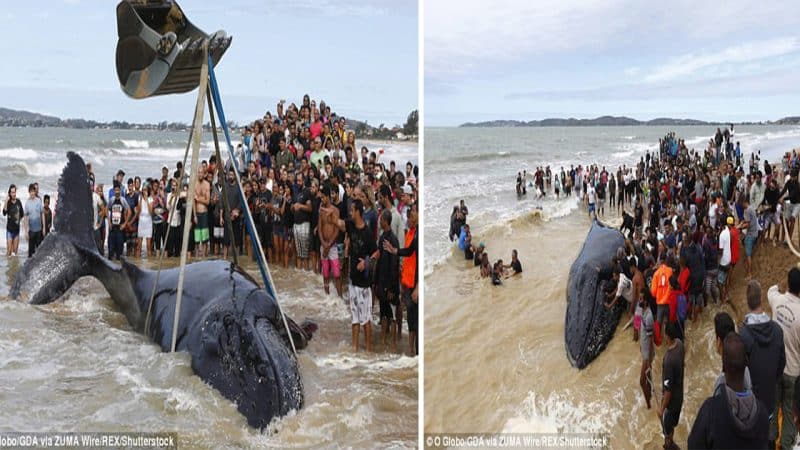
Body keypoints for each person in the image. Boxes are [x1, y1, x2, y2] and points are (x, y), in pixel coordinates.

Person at [688, 333, 770, 449]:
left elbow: (693, 445)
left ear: (723, 366)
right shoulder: (762, 414)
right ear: (746, 362)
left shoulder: (710, 411)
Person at [739, 280, 786, 447]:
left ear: (748, 301)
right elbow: (781, 365)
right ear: (761, 300)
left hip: (751, 404)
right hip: (770, 398)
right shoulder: (777, 331)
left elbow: (740, 373)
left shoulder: (743, 335)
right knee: (768, 436)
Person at [768, 267, 800, 450]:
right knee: (788, 411)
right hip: (793, 372)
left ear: (788, 283)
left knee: (773, 406)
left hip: (776, 367)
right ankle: (786, 446)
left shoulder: (777, 300)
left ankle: (771, 441)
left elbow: (771, 289)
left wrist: (783, 280)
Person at [383, 202, 418, 356]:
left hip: (414, 284)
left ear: (414, 219)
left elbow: (410, 252)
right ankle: (411, 350)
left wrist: (417, 286)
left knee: (415, 318)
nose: (406, 221)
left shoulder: (417, 235)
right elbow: (407, 253)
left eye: (408, 219)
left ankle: (415, 351)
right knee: (410, 317)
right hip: (408, 282)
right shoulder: (410, 233)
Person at [346, 199, 377, 352]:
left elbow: (376, 252)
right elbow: (337, 221)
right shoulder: (350, 226)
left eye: (352, 210)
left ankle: (369, 350)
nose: (350, 212)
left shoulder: (367, 232)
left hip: (364, 284)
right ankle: (355, 350)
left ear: (358, 211)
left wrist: (366, 262)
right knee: (354, 318)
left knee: (365, 320)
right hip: (352, 281)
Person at [373, 208, 399, 352]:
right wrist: (376, 282)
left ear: (385, 221)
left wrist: (391, 288)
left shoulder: (393, 239)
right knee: (383, 313)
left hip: (390, 285)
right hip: (381, 281)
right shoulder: (382, 237)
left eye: (381, 219)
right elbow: (380, 261)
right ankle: (383, 341)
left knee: (393, 316)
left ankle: (394, 344)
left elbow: (394, 266)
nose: (379, 221)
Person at [657, 321, 684, 450]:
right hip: (680, 396)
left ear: (667, 336)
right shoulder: (680, 344)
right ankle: (671, 442)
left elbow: (668, 391)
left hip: (671, 402)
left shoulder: (668, 360)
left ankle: (669, 444)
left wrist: (662, 408)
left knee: (667, 430)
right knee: (672, 424)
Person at [319, 185, 344, 297]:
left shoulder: (336, 210)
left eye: (323, 197)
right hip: (323, 245)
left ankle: (340, 296)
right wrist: (324, 244)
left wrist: (328, 245)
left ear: (328, 197)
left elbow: (337, 231)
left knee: (337, 274)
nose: (322, 200)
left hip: (333, 246)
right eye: (321, 198)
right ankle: (327, 296)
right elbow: (319, 229)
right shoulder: (321, 211)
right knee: (325, 273)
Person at [107, 182, 131, 261]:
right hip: (113, 228)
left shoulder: (123, 200)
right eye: (115, 190)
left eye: (118, 190)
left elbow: (129, 212)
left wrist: (125, 223)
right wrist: (109, 222)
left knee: (119, 251)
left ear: (120, 190)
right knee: (110, 251)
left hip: (120, 228)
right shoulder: (112, 200)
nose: (117, 192)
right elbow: (106, 210)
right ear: (114, 191)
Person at [194, 166, 211, 257]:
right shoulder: (194, 184)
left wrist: (198, 199)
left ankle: (204, 256)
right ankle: (197, 256)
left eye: (201, 172)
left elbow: (207, 201)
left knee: (204, 238)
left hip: (204, 213)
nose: (200, 174)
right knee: (197, 238)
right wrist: (194, 215)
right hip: (197, 213)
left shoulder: (207, 184)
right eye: (198, 172)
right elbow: (193, 201)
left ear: (204, 174)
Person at [23, 183, 44, 257]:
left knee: (39, 252)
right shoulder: (27, 203)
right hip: (31, 231)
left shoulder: (39, 201)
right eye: (30, 191)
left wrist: (44, 227)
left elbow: (42, 214)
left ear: (35, 192)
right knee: (31, 253)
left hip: (39, 230)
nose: (32, 193)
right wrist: (25, 231)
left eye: (33, 191)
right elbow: (25, 218)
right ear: (29, 192)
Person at [3, 185, 23, 256]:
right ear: (10, 193)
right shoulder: (8, 203)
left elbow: (22, 214)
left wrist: (18, 219)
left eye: (14, 192)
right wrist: (6, 201)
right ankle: (8, 266)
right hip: (9, 231)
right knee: (9, 252)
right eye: (12, 192)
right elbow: (4, 213)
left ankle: (13, 267)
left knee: (15, 252)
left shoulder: (18, 202)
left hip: (17, 231)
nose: (14, 194)